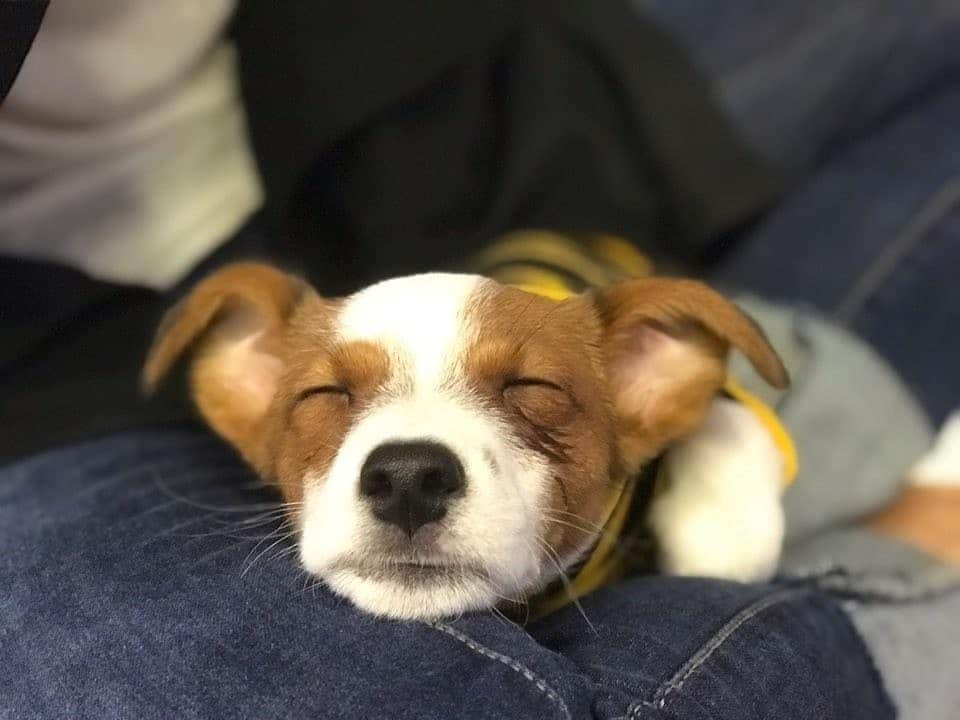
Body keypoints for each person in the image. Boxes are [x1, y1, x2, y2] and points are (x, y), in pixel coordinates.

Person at [1, 2, 957, 718]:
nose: (410, 468)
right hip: (49, 343)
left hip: (450, 127)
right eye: (334, 397)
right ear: (244, 387)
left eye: (528, 393)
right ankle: (913, 579)